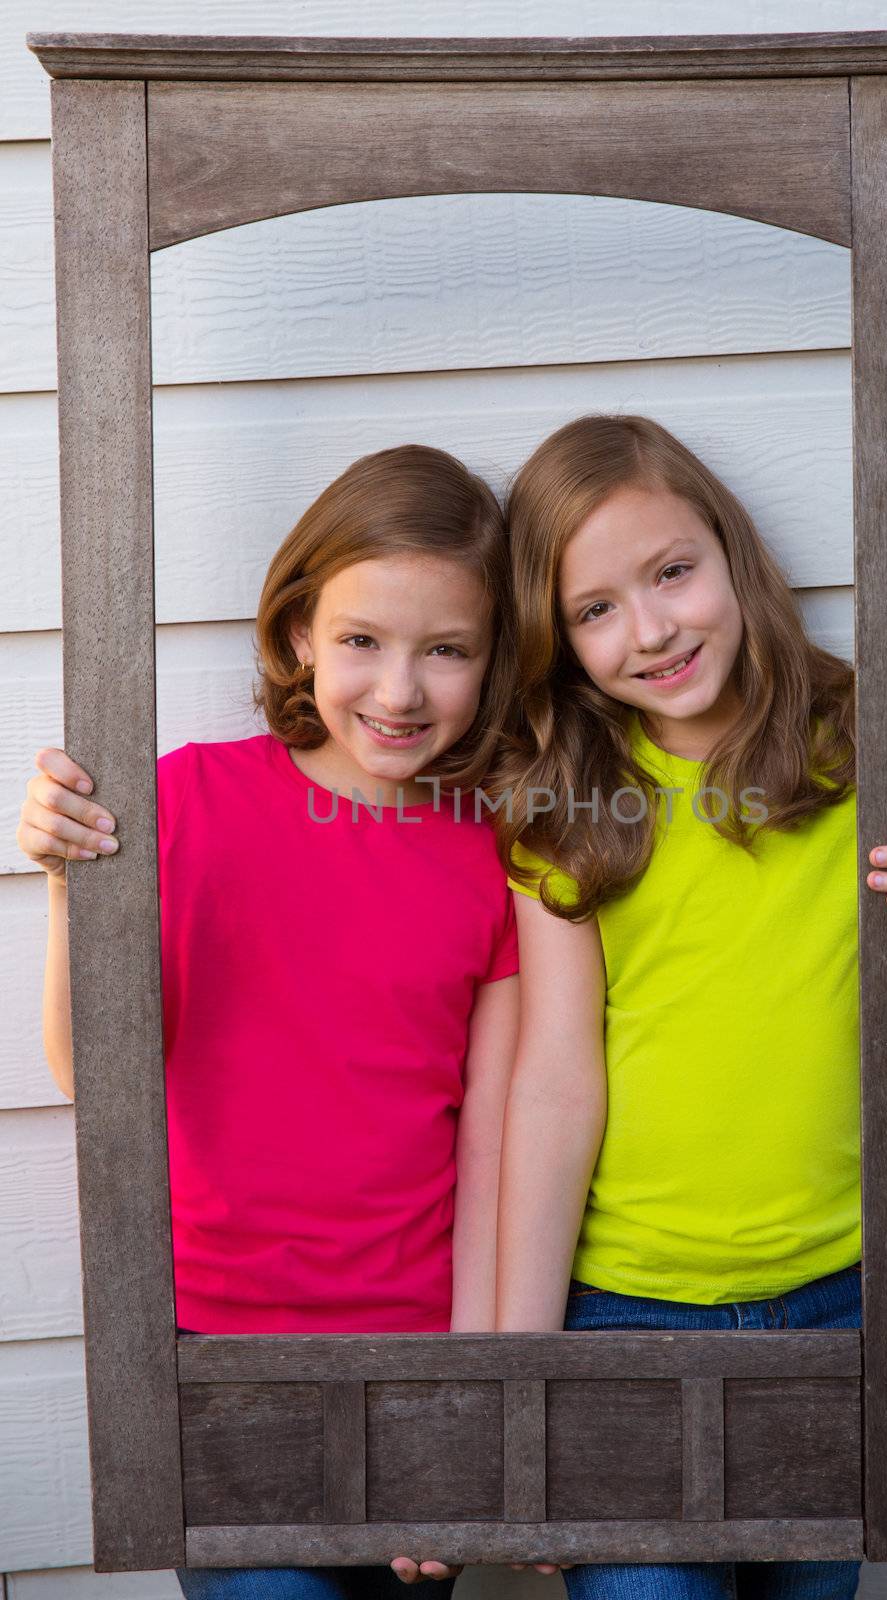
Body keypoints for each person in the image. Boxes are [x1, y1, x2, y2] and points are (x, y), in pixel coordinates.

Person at [493, 415, 887, 1600]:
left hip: (842, 1300)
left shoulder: (877, 736)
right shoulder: (564, 795)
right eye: (595, 609)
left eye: (671, 572)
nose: (652, 629)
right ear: (555, 637)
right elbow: (554, 1077)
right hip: (624, 1309)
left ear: (730, 554)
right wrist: (520, 1377)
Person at [17, 446, 522, 1598]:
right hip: (210, 1355)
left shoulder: (496, 852)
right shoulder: (185, 799)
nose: (397, 691)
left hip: (411, 1365)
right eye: (361, 640)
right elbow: (97, 1073)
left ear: (491, 664)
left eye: (444, 650)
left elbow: (496, 1142)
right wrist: (64, 879)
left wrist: (470, 1392)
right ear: (298, 631)